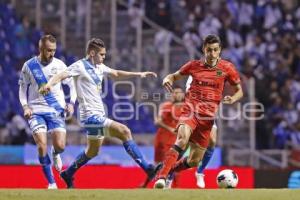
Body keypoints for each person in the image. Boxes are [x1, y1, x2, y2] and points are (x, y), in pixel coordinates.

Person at [39, 38, 160, 188]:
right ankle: (147, 169)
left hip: (98, 115)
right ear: (91, 53)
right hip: (89, 116)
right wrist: (49, 85)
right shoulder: (80, 66)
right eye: (101, 54)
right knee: (124, 131)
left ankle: (68, 173)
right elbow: (61, 75)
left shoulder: (100, 67)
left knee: (92, 151)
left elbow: (116, 73)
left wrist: (138, 74)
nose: (103, 57)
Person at [154, 34, 243, 189]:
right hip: (190, 111)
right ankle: (161, 178)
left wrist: (233, 98)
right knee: (182, 139)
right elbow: (173, 76)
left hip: (207, 119)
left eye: (215, 50)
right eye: (209, 50)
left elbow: (239, 91)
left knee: (194, 160)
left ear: (220, 50)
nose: (212, 54)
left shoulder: (227, 68)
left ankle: (168, 170)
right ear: (204, 49)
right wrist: (167, 79)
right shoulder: (193, 65)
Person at [18, 34, 76, 189]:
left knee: (61, 145)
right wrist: (25, 106)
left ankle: (56, 153)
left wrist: (71, 103)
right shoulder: (29, 66)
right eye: (49, 50)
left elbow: (72, 86)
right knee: (41, 145)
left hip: (55, 110)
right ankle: (51, 183)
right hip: (35, 111)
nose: (52, 53)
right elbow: (22, 89)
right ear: (41, 49)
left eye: (54, 50)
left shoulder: (60, 65)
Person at [141, 86, 184, 188]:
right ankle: (146, 184)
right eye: (175, 92)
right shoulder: (165, 106)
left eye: (179, 92)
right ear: (171, 94)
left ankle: (174, 187)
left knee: (173, 163)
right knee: (158, 164)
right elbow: (158, 121)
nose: (177, 94)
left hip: (175, 140)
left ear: (182, 95)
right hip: (161, 139)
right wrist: (170, 128)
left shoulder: (186, 107)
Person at [186, 76, 217, 189]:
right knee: (183, 145)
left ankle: (200, 172)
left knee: (212, 140)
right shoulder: (193, 74)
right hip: (192, 113)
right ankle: (169, 175)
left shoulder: (216, 74)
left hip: (207, 113)